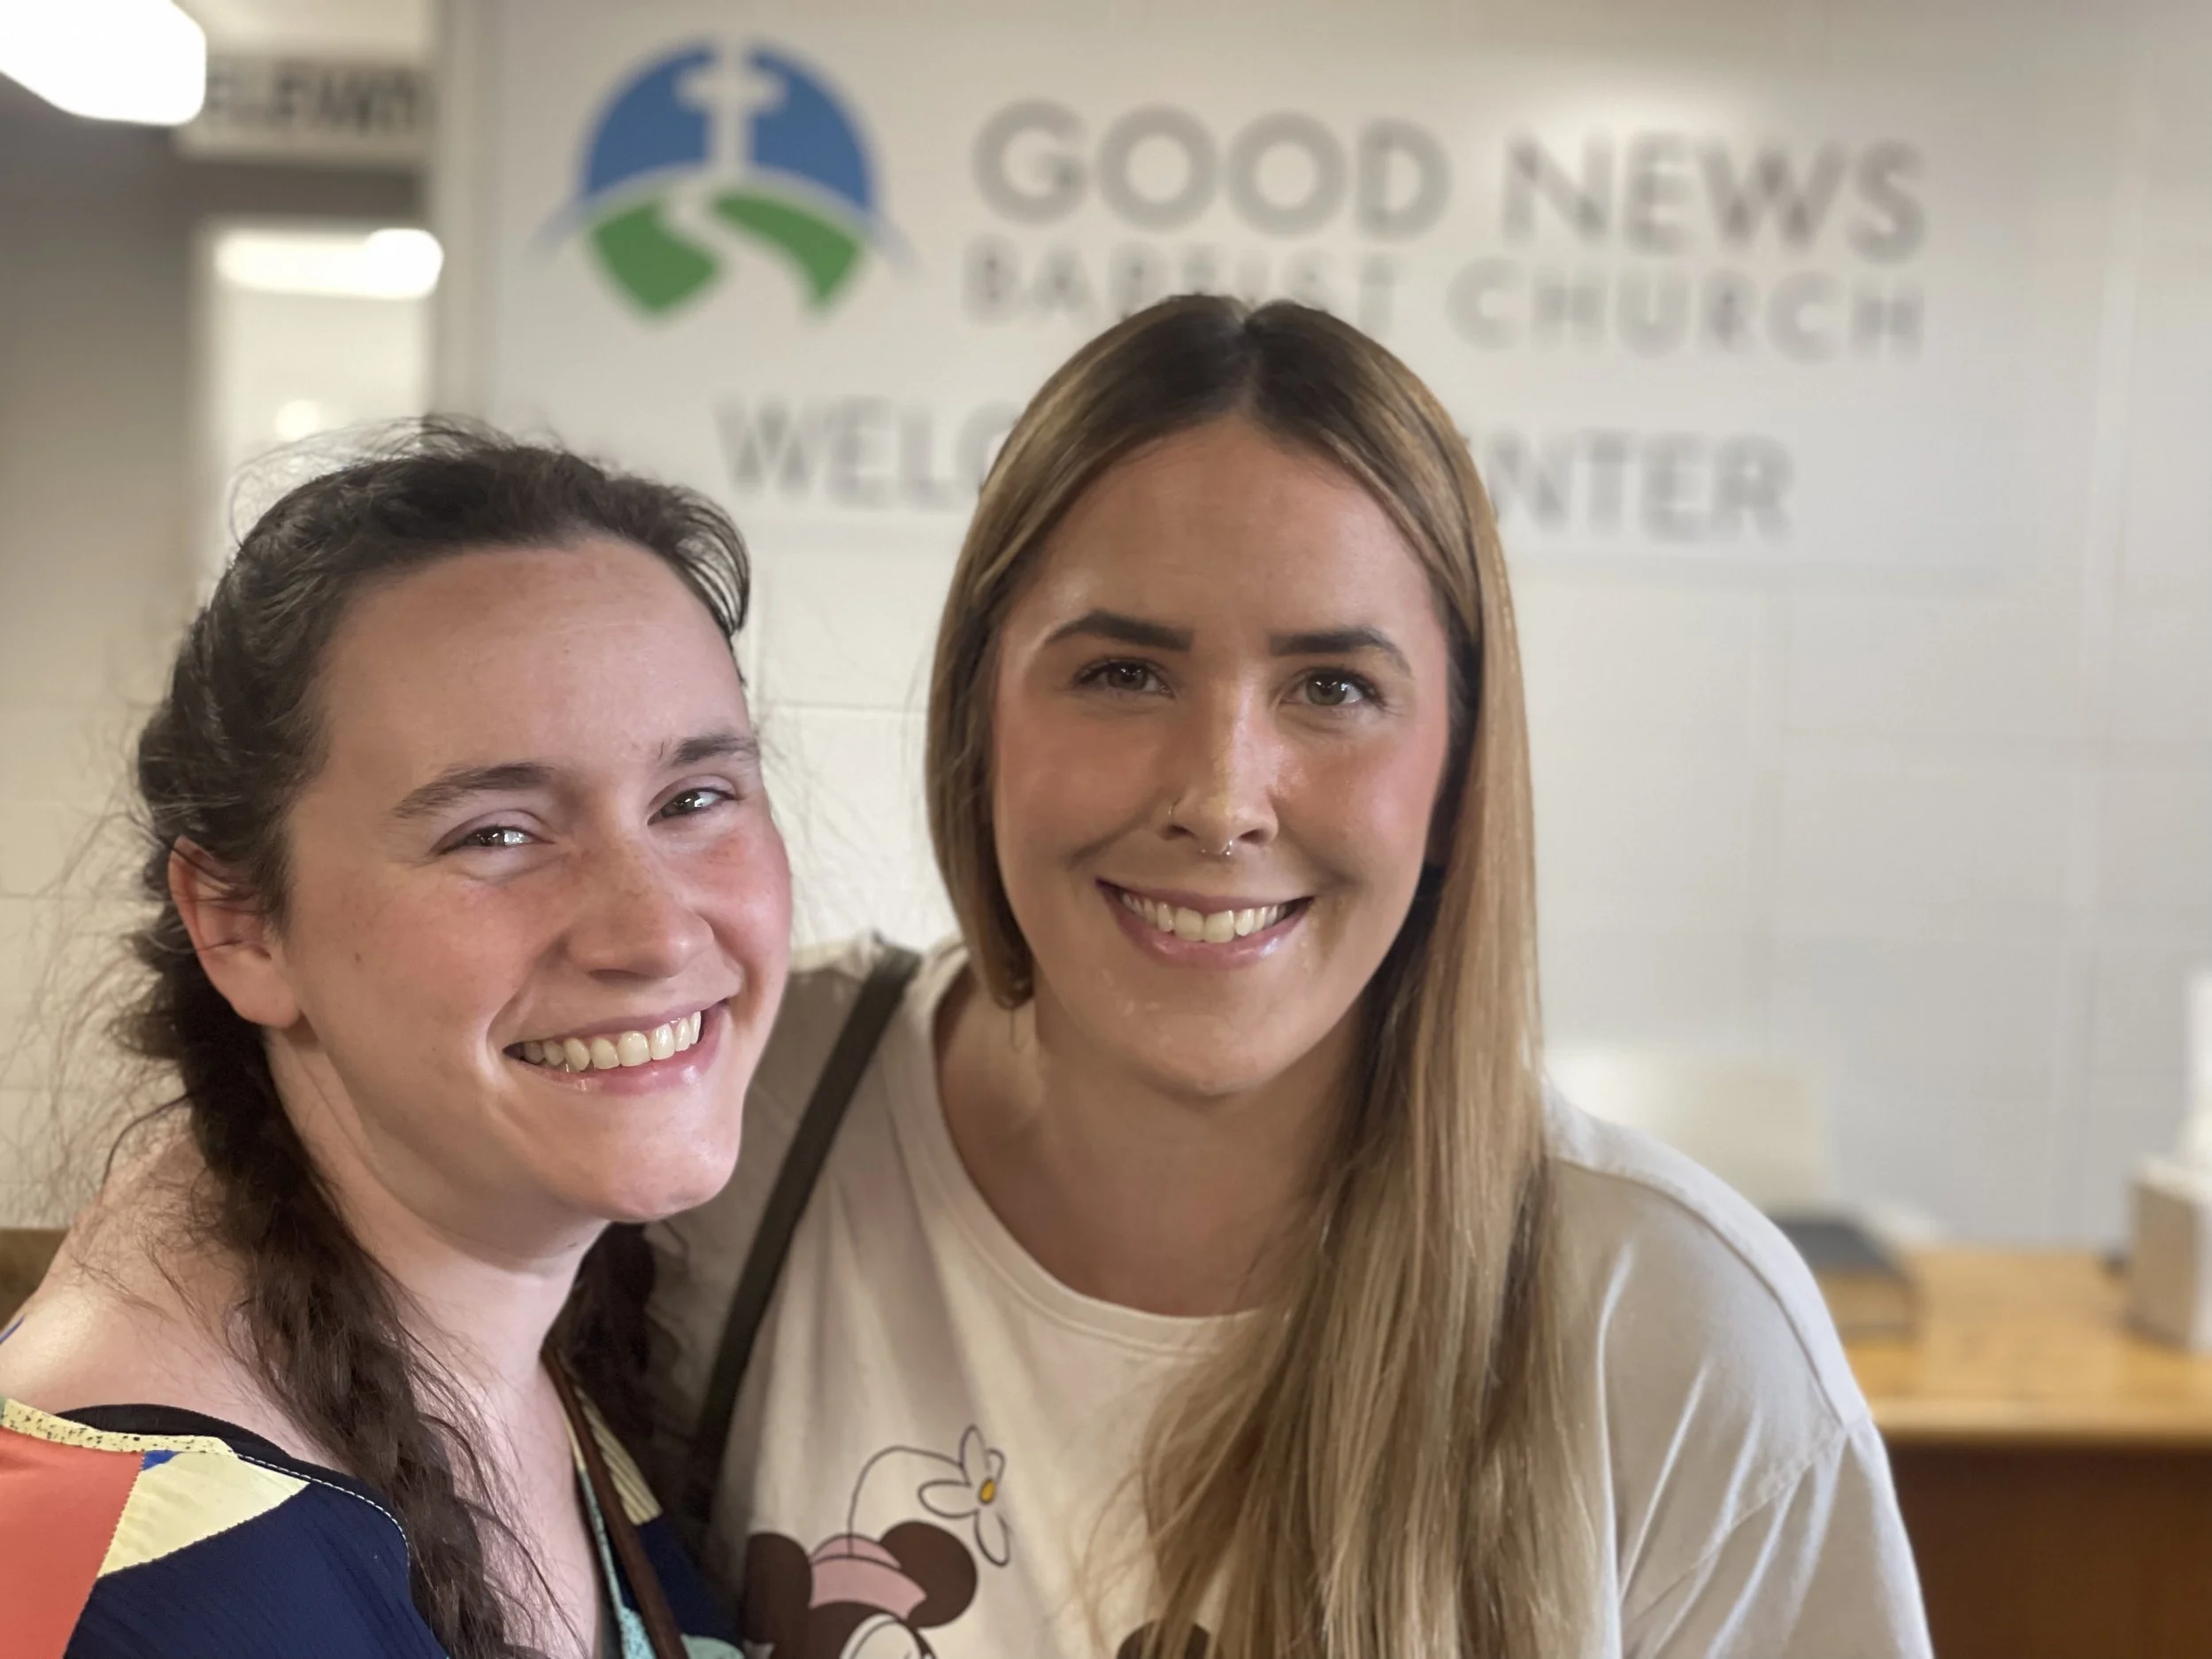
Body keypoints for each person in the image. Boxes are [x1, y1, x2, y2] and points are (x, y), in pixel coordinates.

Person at [648, 296, 1932, 1659]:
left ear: (1455, 773)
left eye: (1331, 689)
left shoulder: (1668, 1328)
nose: (1221, 798)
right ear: (979, 718)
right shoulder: (737, 1116)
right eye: (1125, 671)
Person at [0, 426, 790, 1659]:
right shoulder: (131, 1577)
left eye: (694, 799)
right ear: (242, 922)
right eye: (497, 832)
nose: (651, 930)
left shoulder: (519, 1362)